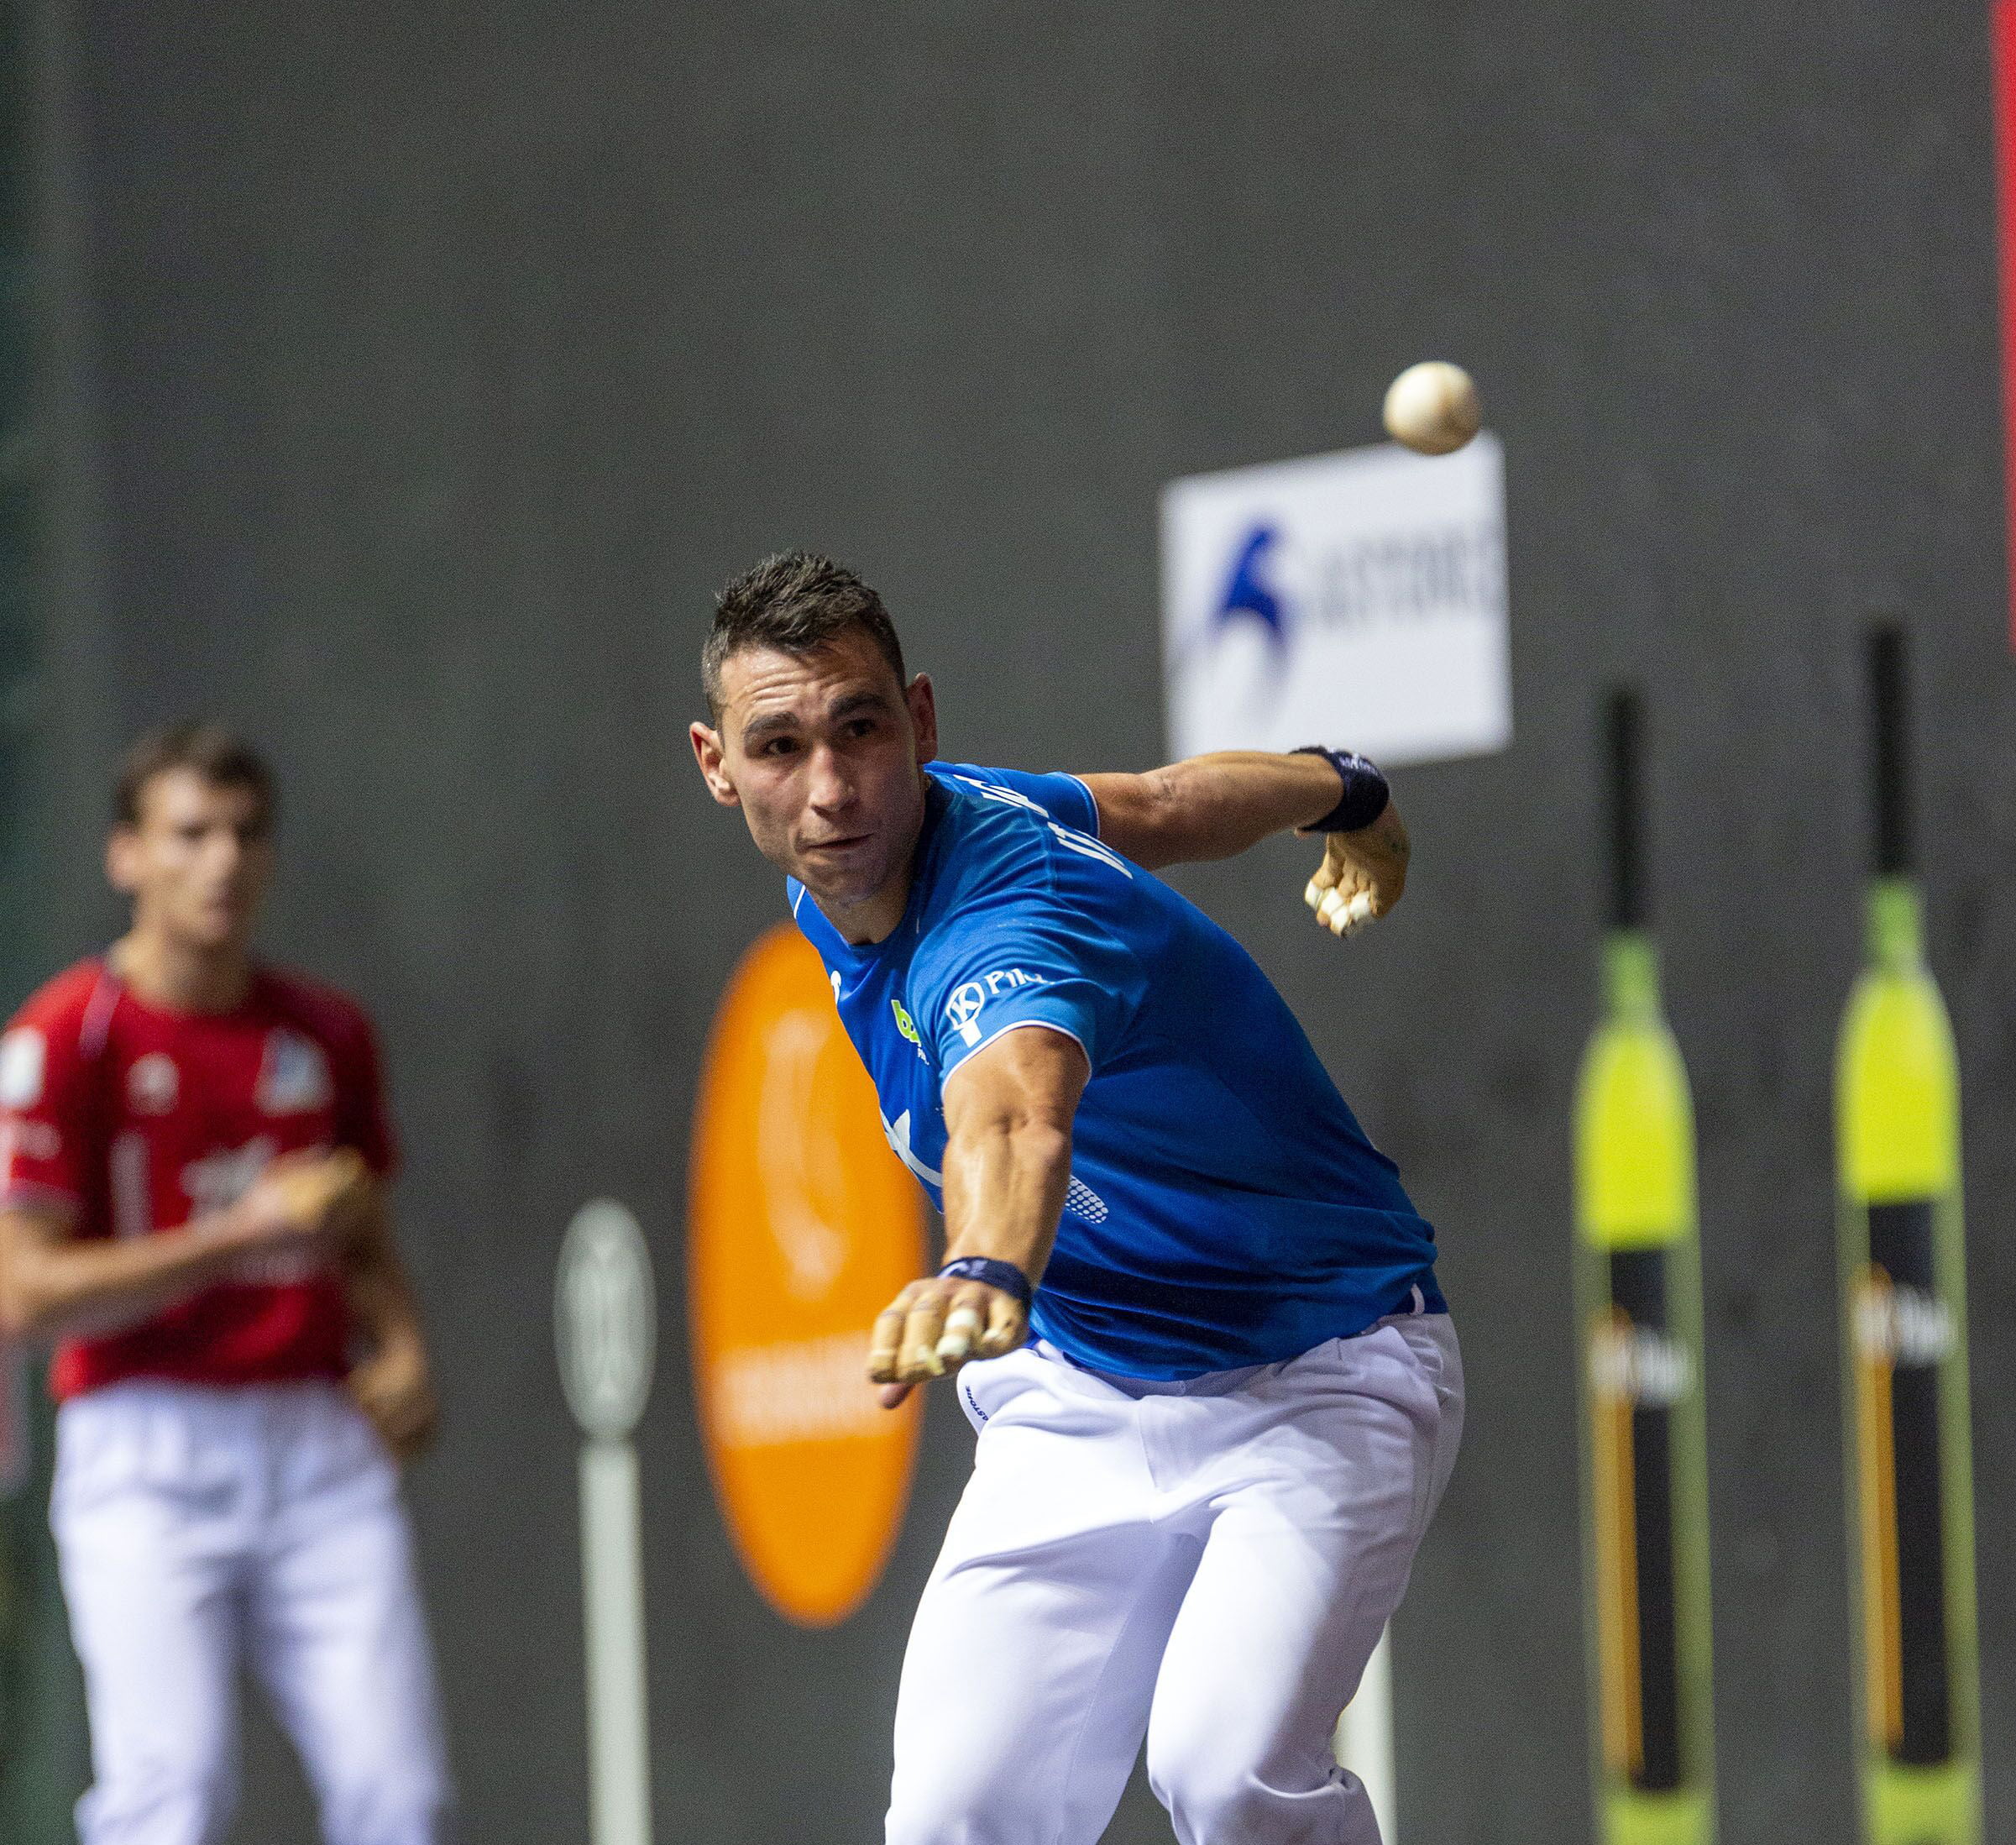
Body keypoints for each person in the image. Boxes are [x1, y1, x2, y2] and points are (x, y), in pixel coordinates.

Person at [691, 552, 1463, 1845]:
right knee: (956, 1814)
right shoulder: (927, 823)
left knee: (1225, 1768)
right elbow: (1160, 803)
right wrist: (1346, 789)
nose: (828, 787)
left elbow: (1013, 1112)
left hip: (1319, 1364)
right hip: (1082, 1391)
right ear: (718, 764)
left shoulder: (1005, 920)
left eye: (860, 729)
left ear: (918, 721)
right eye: (780, 746)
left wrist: (984, 1264)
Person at [0, 723, 453, 1845]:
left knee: (399, 1797)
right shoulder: (66, 1037)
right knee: (173, 1799)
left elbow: (356, 1221)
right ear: (126, 854)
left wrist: (401, 1344)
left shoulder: (325, 1031)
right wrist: (241, 1231)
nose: (223, 862)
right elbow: (26, 1293)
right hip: (141, 1449)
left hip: (318, 1442)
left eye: (247, 834)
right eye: (191, 833)